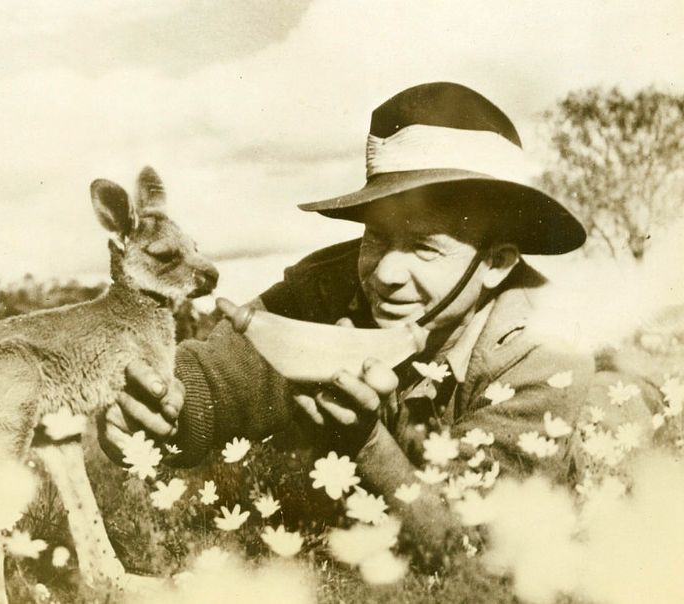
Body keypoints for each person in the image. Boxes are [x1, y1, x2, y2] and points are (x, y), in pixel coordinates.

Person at [98, 82, 620, 562]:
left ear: (497, 262)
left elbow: (474, 550)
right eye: (376, 238)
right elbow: (216, 382)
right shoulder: (326, 288)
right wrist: (159, 403)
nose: (387, 273)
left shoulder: (546, 356)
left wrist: (365, 442)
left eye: (424, 247)